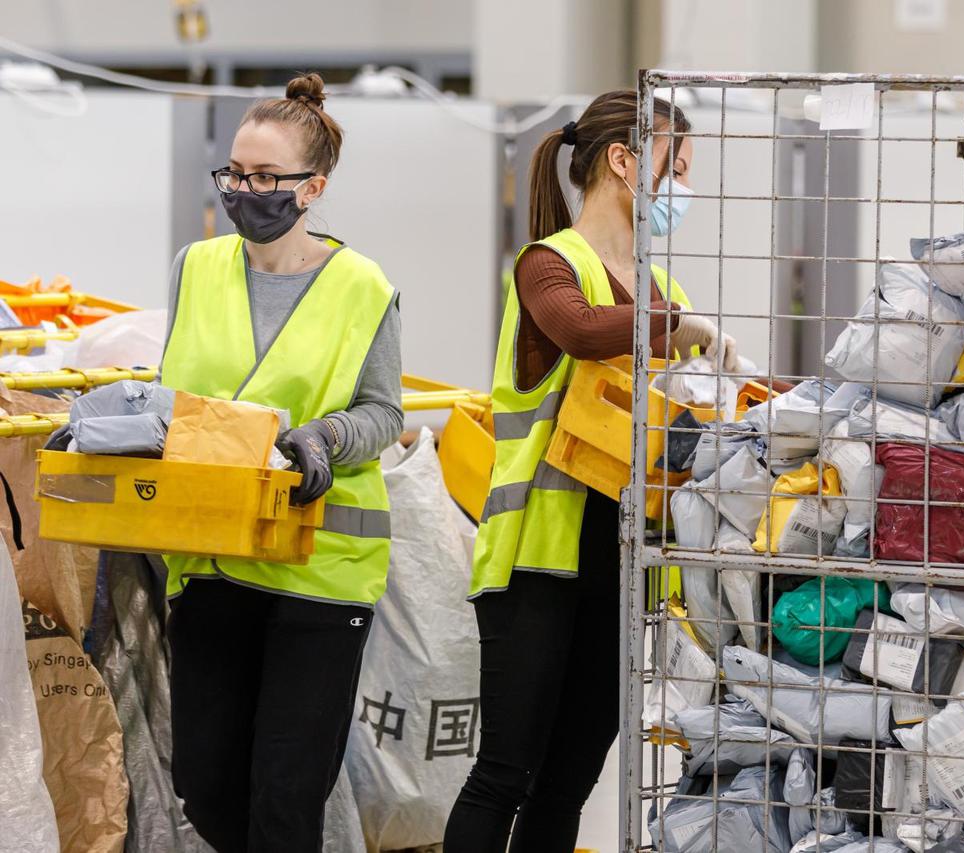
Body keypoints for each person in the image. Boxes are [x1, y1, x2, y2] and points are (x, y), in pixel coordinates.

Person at [444, 90, 737, 852]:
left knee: (570, 777)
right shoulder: (550, 264)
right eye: (677, 169)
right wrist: (682, 329)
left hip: (621, 565)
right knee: (505, 771)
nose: (682, 190)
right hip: (537, 559)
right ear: (624, 160)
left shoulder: (664, 290)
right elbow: (577, 328)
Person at [160, 72, 403, 852]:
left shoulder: (362, 286)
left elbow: (384, 413)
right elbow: (175, 395)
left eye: (266, 176)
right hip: (212, 558)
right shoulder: (193, 268)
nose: (244, 188)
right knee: (206, 784)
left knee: (287, 794)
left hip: (320, 571)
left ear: (313, 186)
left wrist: (326, 437)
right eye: (234, 172)